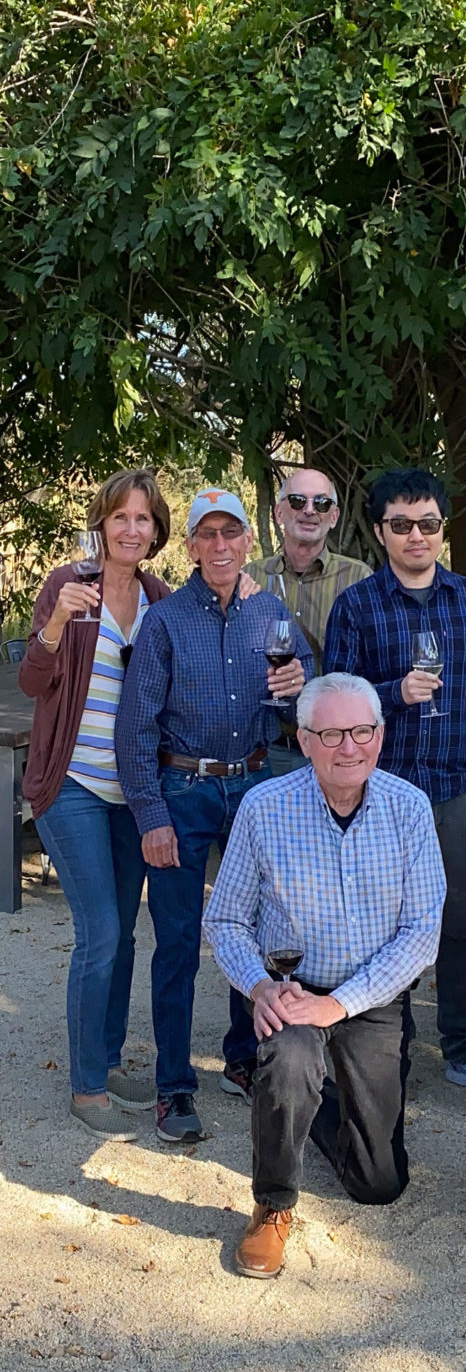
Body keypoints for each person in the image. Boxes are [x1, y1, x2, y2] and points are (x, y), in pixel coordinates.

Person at [209, 676, 444, 1277]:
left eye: (361, 731)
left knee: (379, 1185)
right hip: (292, 989)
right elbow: (227, 919)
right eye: (331, 733)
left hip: (371, 995)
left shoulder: (409, 809)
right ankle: (272, 1205)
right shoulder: (264, 808)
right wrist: (259, 987)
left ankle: (319, 1103)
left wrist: (340, 1005)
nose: (349, 747)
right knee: (288, 1062)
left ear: (381, 736)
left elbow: (421, 933)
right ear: (305, 739)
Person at [117, 486, 312, 1140]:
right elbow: (135, 728)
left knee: (252, 935)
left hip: (253, 786)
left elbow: (302, 707)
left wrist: (297, 691)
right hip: (184, 790)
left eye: (232, 533)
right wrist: (150, 815)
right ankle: (174, 1086)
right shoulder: (166, 621)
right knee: (177, 942)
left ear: (248, 542)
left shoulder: (270, 613)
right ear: (194, 545)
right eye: (209, 535)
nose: (221, 545)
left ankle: (240, 1059)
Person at [324, 468, 466, 1089]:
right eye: (402, 525)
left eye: (428, 524)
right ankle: (386, 1044)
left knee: (461, 922)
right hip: (381, 793)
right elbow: (337, 701)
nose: (416, 536)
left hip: (456, 792)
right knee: (378, 925)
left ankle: (461, 1041)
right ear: (381, 531)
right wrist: (395, 693)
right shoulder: (356, 604)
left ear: (442, 529)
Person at [23, 470, 173, 1137]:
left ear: (156, 530)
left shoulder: (161, 599)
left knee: (122, 937)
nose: (132, 529)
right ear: (102, 523)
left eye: (144, 519)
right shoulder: (68, 585)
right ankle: (85, 1089)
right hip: (73, 785)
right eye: (121, 517)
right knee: (102, 930)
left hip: (131, 796)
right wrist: (56, 620)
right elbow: (34, 678)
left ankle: (106, 1060)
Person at [246, 464, 369, 662]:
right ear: (278, 513)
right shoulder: (251, 577)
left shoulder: (358, 579)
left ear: (334, 517)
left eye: (321, 503)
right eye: (298, 501)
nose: (310, 510)